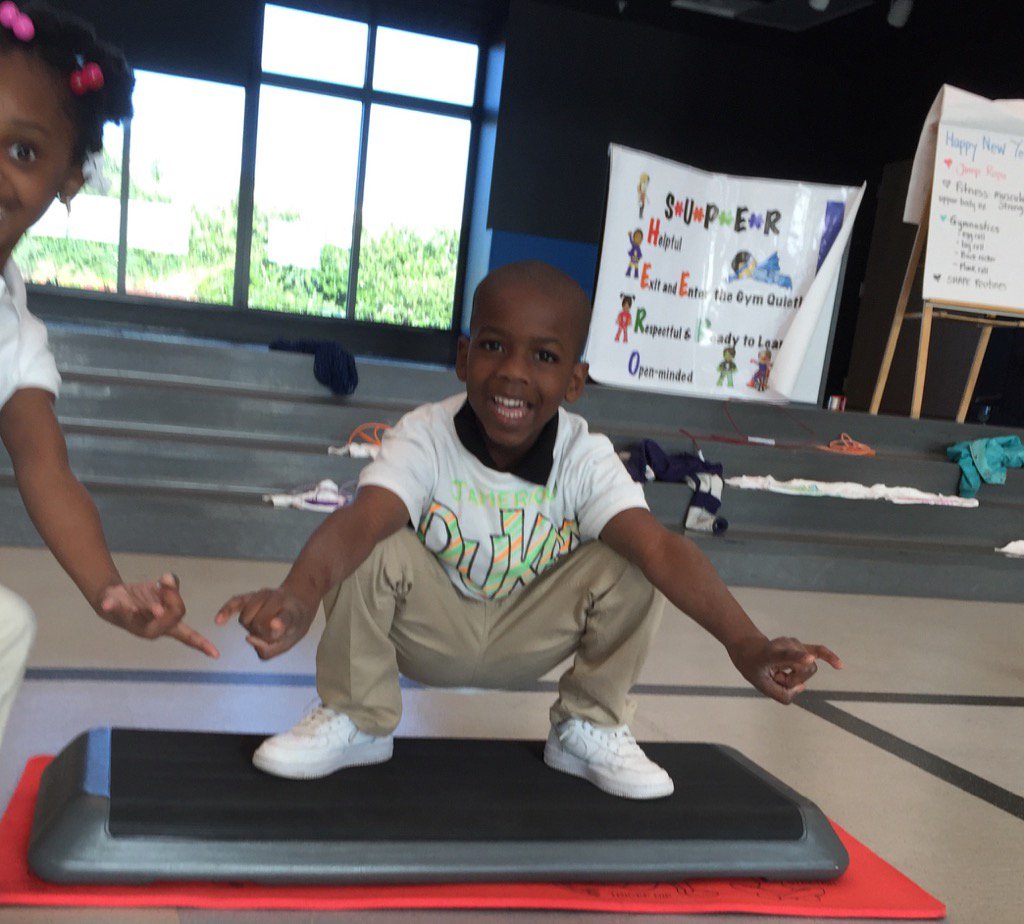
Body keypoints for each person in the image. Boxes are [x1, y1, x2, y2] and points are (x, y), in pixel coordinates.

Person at [216, 260, 841, 799]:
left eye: (543, 356)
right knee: (373, 541)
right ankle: (358, 717)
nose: (514, 373)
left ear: (574, 380)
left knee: (635, 558)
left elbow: (663, 549)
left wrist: (745, 643)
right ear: (463, 356)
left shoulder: (582, 456)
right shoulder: (426, 435)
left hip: (529, 631)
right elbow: (361, 520)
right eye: (493, 346)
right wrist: (298, 593)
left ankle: (587, 728)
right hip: (431, 627)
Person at [0, 1, 218, 746]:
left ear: (71, 177)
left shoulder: (12, 325)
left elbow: (45, 468)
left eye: (23, 152)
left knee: (6, 629)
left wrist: (107, 590)